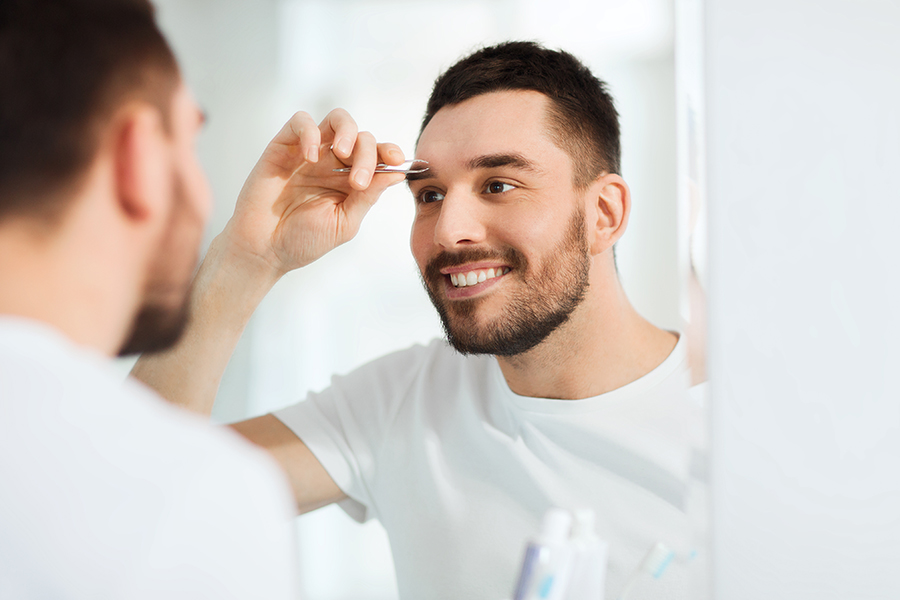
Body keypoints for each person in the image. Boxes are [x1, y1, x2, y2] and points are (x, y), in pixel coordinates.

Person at [133, 42, 704, 599]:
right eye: (429, 193)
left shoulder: (735, 433)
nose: (449, 229)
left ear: (604, 214)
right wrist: (245, 259)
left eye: (498, 185)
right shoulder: (401, 403)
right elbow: (137, 497)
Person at [0, 1, 402, 597]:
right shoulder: (200, 500)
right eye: (189, 141)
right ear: (137, 154)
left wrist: (249, 260)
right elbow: (140, 480)